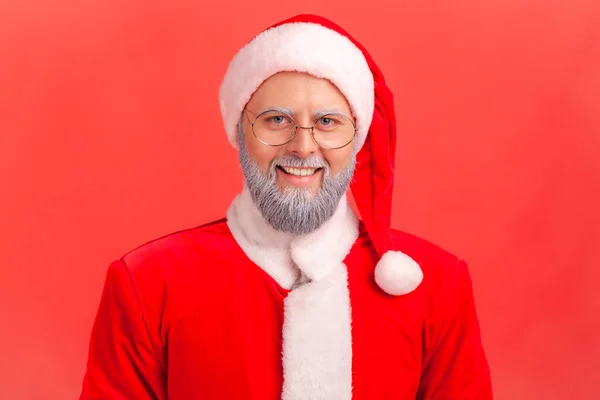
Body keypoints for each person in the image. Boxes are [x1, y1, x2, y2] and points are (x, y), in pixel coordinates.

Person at [79, 14, 493, 400]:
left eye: (328, 122)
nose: (303, 146)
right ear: (240, 131)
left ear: (358, 140)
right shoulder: (147, 283)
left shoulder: (436, 286)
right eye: (277, 120)